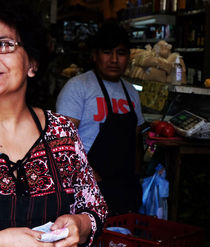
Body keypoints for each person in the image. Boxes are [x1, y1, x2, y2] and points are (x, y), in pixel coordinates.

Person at [0, 1, 108, 247]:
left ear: (32, 64)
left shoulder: (61, 132)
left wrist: (78, 226)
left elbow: (94, 207)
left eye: (4, 44)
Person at [56, 21, 144, 216]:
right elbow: (62, 141)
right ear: (94, 56)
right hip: (88, 186)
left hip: (123, 187)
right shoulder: (78, 87)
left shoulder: (131, 92)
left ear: (128, 57)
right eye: (107, 52)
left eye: (120, 53)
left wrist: (136, 177)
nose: (114, 59)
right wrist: (86, 174)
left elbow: (135, 141)